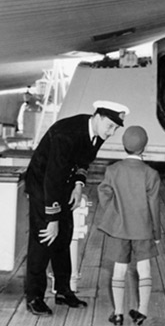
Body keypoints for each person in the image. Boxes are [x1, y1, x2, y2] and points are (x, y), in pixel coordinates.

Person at [24, 100, 129, 316]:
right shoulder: (66, 134)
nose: (112, 133)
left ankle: (63, 291)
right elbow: (51, 177)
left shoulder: (97, 132)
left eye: (116, 129)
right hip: (42, 187)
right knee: (43, 240)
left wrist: (79, 184)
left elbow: (83, 160)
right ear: (98, 117)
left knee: (64, 239)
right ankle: (34, 297)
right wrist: (52, 218)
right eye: (110, 126)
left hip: (63, 186)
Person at [97, 126, 161, 326]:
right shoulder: (151, 174)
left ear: (124, 145)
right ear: (144, 146)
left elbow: (104, 193)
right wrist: (156, 233)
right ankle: (141, 312)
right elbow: (154, 206)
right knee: (145, 270)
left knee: (119, 270)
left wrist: (113, 213)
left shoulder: (113, 170)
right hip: (143, 228)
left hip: (119, 228)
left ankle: (117, 313)